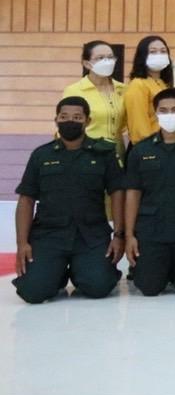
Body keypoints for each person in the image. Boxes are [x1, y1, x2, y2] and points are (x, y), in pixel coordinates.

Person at [12, 97, 124, 303]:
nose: (70, 121)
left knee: (98, 287)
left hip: (91, 236)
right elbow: (26, 200)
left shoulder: (103, 154)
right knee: (33, 292)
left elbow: (117, 194)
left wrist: (119, 235)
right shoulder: (41, 155)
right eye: (64, 117)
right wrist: (22, 243)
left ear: (88, 121)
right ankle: (56, 274)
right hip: (49, 236)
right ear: (56, 120)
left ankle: (81, 270)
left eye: (77, 117)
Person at [122, 88, 175, 295]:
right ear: (156, 113)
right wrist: (129, 235)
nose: (170, 114)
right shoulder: (141, 150)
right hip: (152, 229)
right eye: (164, 110)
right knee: (148, 288)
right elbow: (133, 194)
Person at [63, 40, 125, 146]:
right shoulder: (74, 90)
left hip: (117, 151)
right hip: (87, 150)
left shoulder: (123, 89)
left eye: (110, 57)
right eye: (100, 58)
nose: (107, 61)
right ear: (87, 64)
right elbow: (66, 125)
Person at [121, 35, 174, 144]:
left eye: (163, 51)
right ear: (143, 56)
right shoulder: (138, 85)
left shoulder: (162, 83)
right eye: (153, 52)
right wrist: (149, 148)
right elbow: (139, 125)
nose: (159, 55)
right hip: (149, 147)